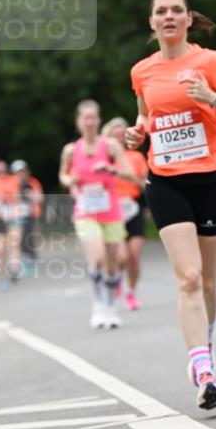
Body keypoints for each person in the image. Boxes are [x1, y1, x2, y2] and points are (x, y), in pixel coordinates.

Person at [125, 0, 216, 410]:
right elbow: (146, 115)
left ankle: (206, 345)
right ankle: (204, 372)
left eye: (175, 10)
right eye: (160, 11)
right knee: (188, 277)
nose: (167, 16)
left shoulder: (209, 62)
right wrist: (138, 131)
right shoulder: (141, 71)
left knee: (207, 280)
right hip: (165, 182)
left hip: (211, 180)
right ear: (152, 22)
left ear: (187, 19)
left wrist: (212, 98)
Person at [59, 100, 131, 329]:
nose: (89, 122)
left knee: (117, 260)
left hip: (110, 209)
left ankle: (110, 305)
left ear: (98, 120)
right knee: (98, 256)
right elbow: (62, 175)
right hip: (86, 211)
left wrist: (111, 170)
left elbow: (128, 171)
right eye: (85, 118)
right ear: (78, 121)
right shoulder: (71, 150)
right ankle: (98, 304)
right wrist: (70, 180)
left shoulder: (110, 146)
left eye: (93, 117)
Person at [101, 117, 149, 311]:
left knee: (134, 255)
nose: (120, 138)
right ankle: (118, 277)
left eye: (123, 135)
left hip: (133, 207)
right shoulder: (103, 157)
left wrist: (126, 175)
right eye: (116, 135)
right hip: (112, 209)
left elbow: (144, 184)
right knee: (121, 257)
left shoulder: (135, 157)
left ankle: (131, 292)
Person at [7, 160, 44, 275]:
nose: (21, 174)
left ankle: (30, 259)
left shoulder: (33, 183)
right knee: (15, 241)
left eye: (23, 171)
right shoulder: (9, 184)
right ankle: (15, 266)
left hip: (31, 215)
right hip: (16, 216)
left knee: (31, 239)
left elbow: (40, 198)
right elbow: (5, 200)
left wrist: (29, 195)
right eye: (18, 172)